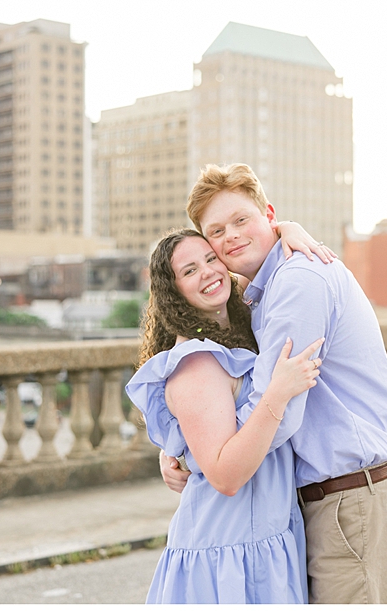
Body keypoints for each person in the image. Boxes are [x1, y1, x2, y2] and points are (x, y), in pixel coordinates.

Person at [162, 163, 387, 604]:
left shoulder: (297, 282)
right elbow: (229, 387)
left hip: (353, 498)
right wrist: (189, 437)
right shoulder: (262, 292)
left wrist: (202, 448)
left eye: (242, 220)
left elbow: (276, 413)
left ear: (270, 216)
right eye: (216, 231)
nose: (231, 237)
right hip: (331, 501)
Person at [126, 228, 327, 604]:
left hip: (263, 539)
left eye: (210, 258)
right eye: (189, 271)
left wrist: (289, 229)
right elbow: (226, 476)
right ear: (174, 292)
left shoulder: (237, 335)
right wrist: (277, 394)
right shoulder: (196, 365)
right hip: (228, 552)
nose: (207, 272)